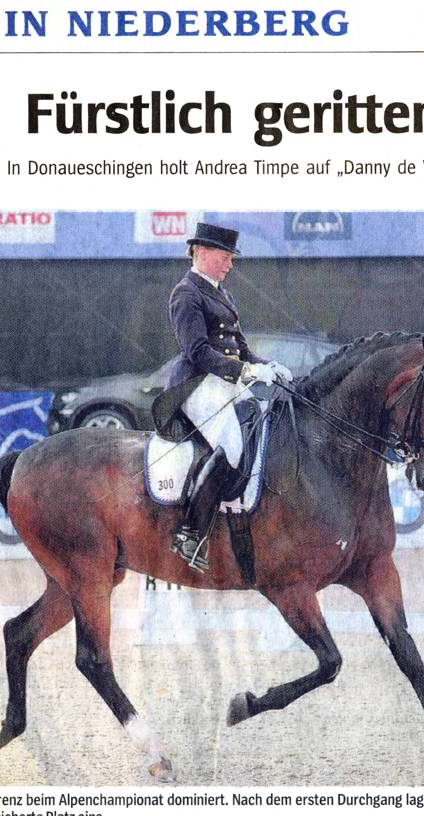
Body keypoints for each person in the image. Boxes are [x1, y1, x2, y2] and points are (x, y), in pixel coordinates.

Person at [155, 222, 292, 571]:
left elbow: (241, 349)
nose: (230, 265)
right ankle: (190, 533)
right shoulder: (186, 293)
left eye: (231, 258)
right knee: (231, 442)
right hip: (196, 385)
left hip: (225, 383)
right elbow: (198, 351)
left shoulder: (223, 295)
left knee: (264, 425)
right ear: (201, 252)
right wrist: (246, 372)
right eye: (225, 257)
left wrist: (268, 366)